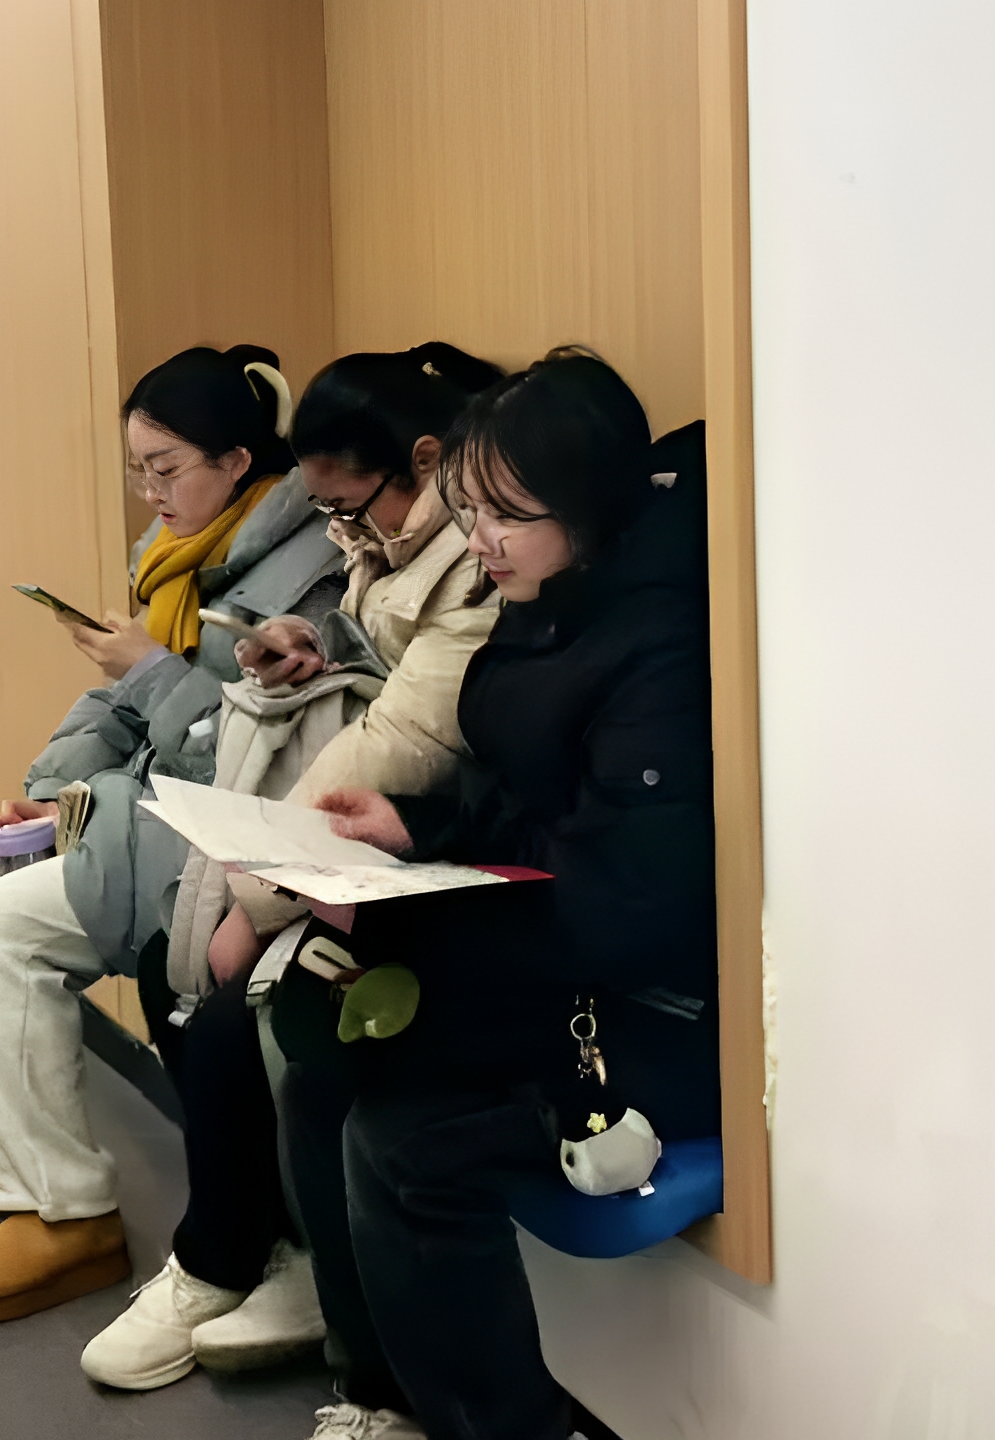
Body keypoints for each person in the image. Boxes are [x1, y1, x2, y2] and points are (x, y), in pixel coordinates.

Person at [285, 350, 719, 1440]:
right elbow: (527, 808)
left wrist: (420, 919)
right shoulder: (551, 595)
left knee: (403, 1139)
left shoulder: (659, 645)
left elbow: (630, 905)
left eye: (507, 516)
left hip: (645, 1006)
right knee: (319, 1059)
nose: (479, 539)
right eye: (470, 508)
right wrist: (415, 831)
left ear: (591, 504)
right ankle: (390, 1395)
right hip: (553, 947)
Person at [0, 345, 345, 1325]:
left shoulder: (306, 576)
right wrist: (53, 796)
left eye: (165, 468)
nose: (151, 494)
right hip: (145, 809)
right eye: (138, 471)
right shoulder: (177, 555)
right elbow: (121, 709)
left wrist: (148, 671)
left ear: (237, 461)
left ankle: (68, 1214)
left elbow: (250, 748)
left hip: (216, 839)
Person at [75, 342, 506, 1392]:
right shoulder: (386, 546)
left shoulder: (472, 569)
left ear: (426, 462)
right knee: (166, 963)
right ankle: (244, 1246)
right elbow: (382, 688)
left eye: (351, 509)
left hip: (431, 856)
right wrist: (324, 659)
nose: (340, 531)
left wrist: (253, 899)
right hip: (367, 834)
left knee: (242, 1010)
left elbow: (406, 738)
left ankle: (235, 1260)